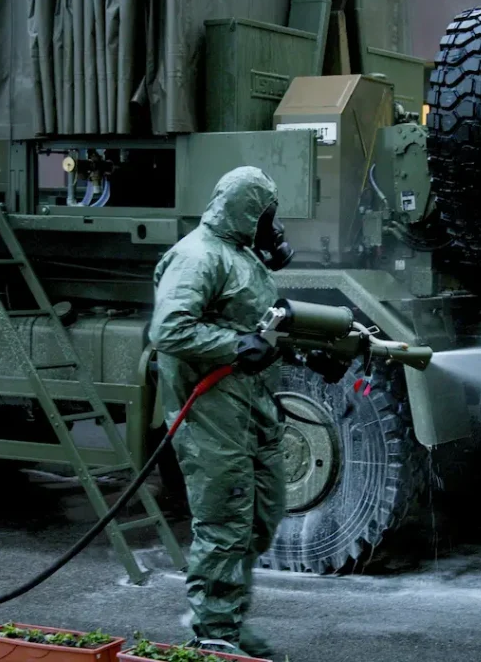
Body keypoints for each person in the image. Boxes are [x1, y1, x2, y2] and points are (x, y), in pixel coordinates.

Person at [148, 166, 347, 657]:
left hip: (252, 409)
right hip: (212, 414)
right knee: (225, 522)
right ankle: (213, 633)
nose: (275, 228)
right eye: (268, 216)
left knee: (262, 513)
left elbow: (259, 331)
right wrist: (235, 346)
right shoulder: (198, 256)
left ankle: (227, 620)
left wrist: (307, 355)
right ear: (246, 212)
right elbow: (169, 330)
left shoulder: (241, 257)